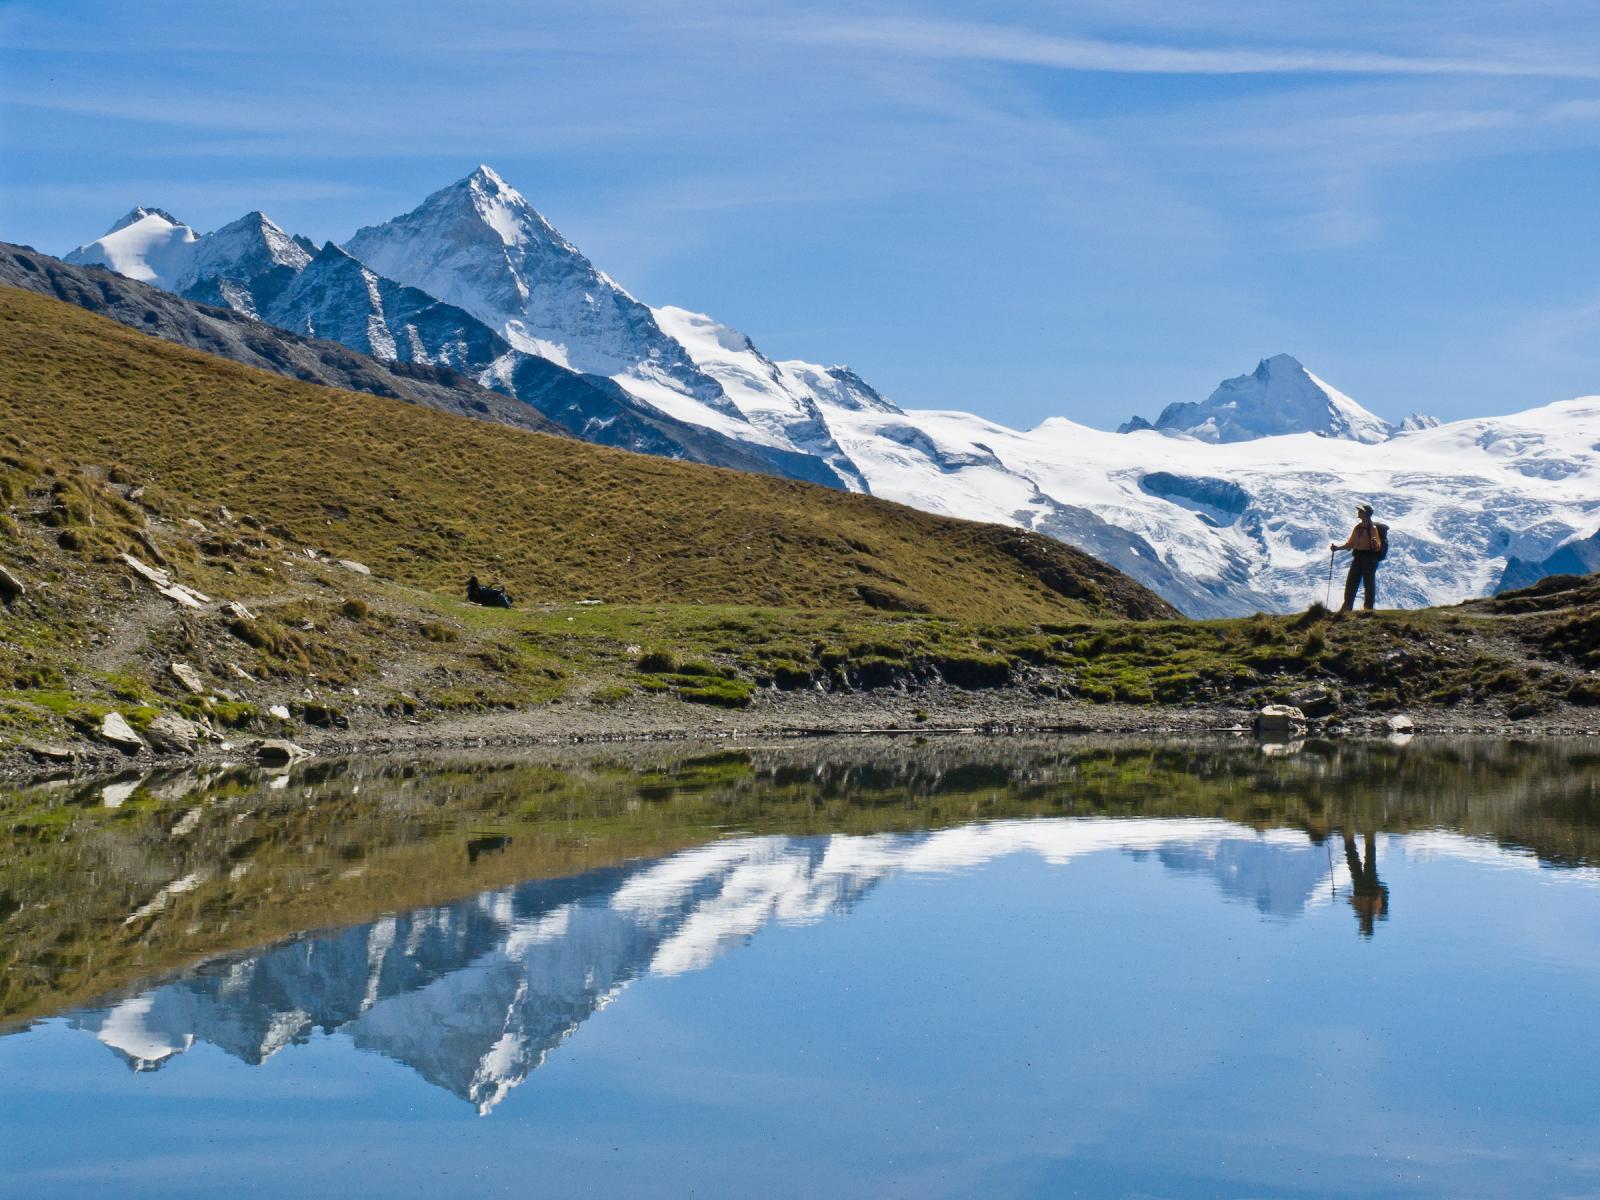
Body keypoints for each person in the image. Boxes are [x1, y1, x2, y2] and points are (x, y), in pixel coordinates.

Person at [1330, 503, 1384, 612]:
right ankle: (1348, 608)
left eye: (1361, 511)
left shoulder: (1372, 528)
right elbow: (1350, 544)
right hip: (1359, 557)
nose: (1358, 512)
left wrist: (1374, 543)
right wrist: (1337, 548)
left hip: (1368, 558)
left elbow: (1377, 547)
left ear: (1366, 514)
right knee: (1352, 582)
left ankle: (1367, 609)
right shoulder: (1358, 528)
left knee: (1367, 584)